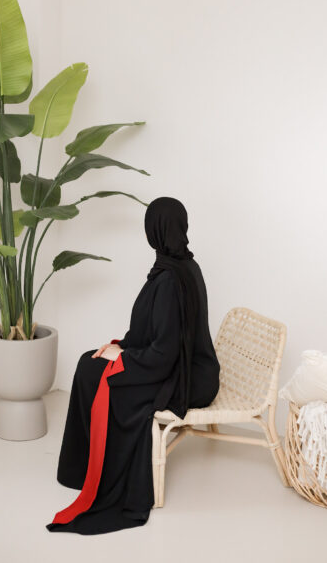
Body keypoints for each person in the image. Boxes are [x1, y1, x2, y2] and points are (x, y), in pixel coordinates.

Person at [46, 196, 220, 535]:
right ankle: (83, 470)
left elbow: (164, 354)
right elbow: (159, 333)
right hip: (183, 366)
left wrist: (124, 359)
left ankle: (90, 473)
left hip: (184, 377)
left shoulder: (170, 279)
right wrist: (122, 346)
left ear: (154, 230)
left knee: (92, 372)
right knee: (89, 362)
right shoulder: (182, 265)